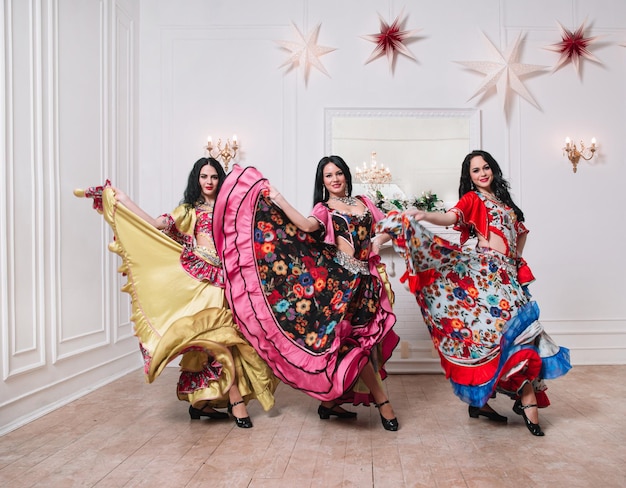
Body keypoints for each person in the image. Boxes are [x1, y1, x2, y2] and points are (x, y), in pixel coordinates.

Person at [377, 150, 571, 436]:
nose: (482, 173)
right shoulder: (472, 199)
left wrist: (516, 263)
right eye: (475, 170)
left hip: (509, 276)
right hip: (487, 275)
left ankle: (486, 402)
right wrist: (424, 215)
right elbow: (449, 217)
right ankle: (525, 396)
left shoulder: (505, 203)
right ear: (469, 177)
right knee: (502, 335)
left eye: (485, 167)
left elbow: (520, 234)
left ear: (493, 170)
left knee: (515, 334)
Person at [75, 157, 278, 428]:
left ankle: (201, 402)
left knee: (230, 337)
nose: (209, 182)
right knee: (221, 337)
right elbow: (157, 224)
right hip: (202, 280)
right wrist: (123, 199)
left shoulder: (229, 208)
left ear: (221, 180)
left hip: (227, 278)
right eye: (204, 177)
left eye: (214, 177)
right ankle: (235, 400)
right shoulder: (188, 210)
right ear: (197, 179)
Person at [212, 156, 400, 431]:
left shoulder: (364, 202)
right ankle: (384, 403)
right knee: (351, 345)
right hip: (339, 286)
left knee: (362, 344)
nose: (334, 179)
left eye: (338, 173)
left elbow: (388, 228)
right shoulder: (324, 208)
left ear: (346, 175)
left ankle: (329, 403)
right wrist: (278, 199)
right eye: (328, 176)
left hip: (366, 283)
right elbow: (307, 226)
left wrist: (376, 242)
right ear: (322, 182)